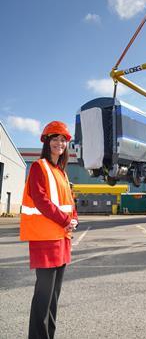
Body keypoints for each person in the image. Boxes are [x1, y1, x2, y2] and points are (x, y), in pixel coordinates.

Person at [20, 121, 78, 339]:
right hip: (45, 240)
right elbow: (41, 200)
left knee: (53, 297)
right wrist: (66, 219)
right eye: (55, 139)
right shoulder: (38, 167)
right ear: (47, 142)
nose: (59, 143)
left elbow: (69, 202)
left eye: (63, 140)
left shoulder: (61, 172)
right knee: (43, 298)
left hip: (61, 238)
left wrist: (74, 220)